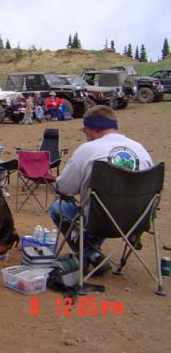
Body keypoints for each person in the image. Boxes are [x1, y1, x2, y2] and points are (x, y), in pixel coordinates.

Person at [48, 105, 153, 275]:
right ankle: (94, 254)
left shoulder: (88, 150)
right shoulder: (140, 149)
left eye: (85, 131)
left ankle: (91, 254)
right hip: (137, 220)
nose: (86, 135)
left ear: (92, 128)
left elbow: (65, 188)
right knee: (101, 205)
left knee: (58, 207)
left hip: (99, 220)